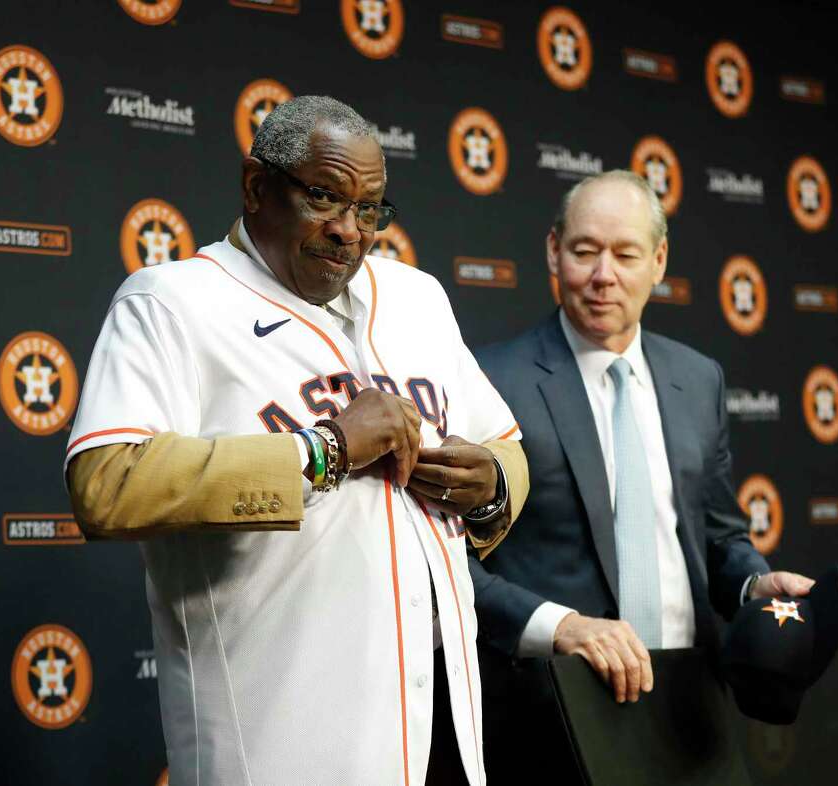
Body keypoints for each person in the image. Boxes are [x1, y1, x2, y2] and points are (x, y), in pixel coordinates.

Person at [65, 96, 527, 786]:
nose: (349, 232)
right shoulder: (171, 301)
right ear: (257, 188)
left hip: (442, 728)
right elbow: (107, 484)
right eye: (323, 198)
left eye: (369, 210)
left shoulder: (418, 297)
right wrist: (325, 451)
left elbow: (507, 451)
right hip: (279, 739)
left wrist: (488, 486)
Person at [468, 170, 813, 782]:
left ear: (658, 261)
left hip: (691, 712)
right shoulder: (488, 381)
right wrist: (560, 628)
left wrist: (753, 587)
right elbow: (451, 565)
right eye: (584, 251)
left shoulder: (697, 378)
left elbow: (719, 536)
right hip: (554, 713)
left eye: (626, 254)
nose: (604, 275)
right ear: (553, 251)